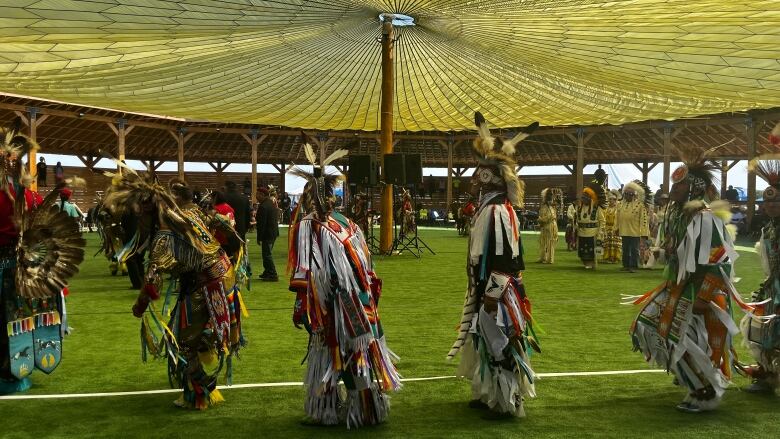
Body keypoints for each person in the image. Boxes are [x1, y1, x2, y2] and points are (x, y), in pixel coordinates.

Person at [106, 174, 243, 410]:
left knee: (182, 344)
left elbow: (152, 280)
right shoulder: (190, 212)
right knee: (190, 329)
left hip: (206, 285)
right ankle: (204, 354)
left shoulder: (164, 236)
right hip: (224, 275)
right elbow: (220, 224)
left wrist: (140, 306)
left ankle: (200, 394)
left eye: (140, 213)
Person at [629, 147, 748, 413]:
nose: (673, 189)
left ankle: (704, 391)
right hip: (680, 286)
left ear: (693, 189)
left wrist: (705, 297)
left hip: (703, 292)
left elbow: (720, 259)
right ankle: (694, 380)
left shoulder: (705, 219)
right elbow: (678, 253)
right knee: (650, 326)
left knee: (684, 339)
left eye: (679, 185)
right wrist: (659, 253)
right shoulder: (678, 216)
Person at [289, 142, 400, 428]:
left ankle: (334, 412)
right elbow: (367, 267)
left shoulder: (310, 225)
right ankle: (365, 408)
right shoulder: (349, 223)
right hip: (361, 301)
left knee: (331, 352)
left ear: (309, 197)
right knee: (354, 353)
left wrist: (302, 308)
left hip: (333, 305)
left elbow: (306, 272)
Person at [448, 112, 540, 418]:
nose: (474, 179)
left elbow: (506, 260)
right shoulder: (490, 208)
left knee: (499, 341)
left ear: (490, 178)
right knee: (483, 339)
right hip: (485, 286)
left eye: (479, 174)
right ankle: (488, 393)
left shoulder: (498, 211)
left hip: (496, 290)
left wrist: (492, 294)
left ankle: (508, 402)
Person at [0, 126, 85, 395]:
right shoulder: (28, 195)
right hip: (26, 271)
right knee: (16, 322)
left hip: (8, 268)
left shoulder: (19, 195)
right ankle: (16, 372)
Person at [740, 159, 780, 393]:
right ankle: (766, 375)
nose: (771, 205)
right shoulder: (770, 228)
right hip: (772, 288)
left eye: (775, 201)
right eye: (768, 201)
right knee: (762, 329)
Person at [616, 181, 649, 272]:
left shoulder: (640, 205)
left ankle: (634, 266)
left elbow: (644, 221)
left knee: (634, 250)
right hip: (624, 231)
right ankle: (625, 265)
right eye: (625, 194)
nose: (627, 196)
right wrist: (616, 228)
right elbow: (617, 217)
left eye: (629, 194)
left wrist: (644, 233)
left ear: (634, 195)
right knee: (625, 249)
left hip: (635, 232)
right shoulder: (620, 204)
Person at [577, 182, 606, 269]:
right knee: (583, 250)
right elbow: (577, 220)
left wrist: (600, 232)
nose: (583, 199)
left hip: (592, 233)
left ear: (590, 198)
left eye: (585, 198)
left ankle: (592, 263)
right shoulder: (579, 207)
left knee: (591, 250)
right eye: (582, 197)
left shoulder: (597, 208)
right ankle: (585, 263)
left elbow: (602, 221)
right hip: (581, 233)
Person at [255, 186, 279, 281]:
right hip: (272, 233)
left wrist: (259, 237)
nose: (256, 196)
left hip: (267, 234)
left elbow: (262, 224)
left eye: (257, 194)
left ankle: (273, 274)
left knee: (267, 254)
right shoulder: (270, 203)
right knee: (266, 254)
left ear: (262, 195)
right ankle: (267, 272)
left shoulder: (264, 206)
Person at [537, 187, 559, 264]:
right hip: (545, 226)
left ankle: (550, 259)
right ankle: (543, 257)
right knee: (543, 242)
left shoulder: (550, 206)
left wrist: (540, 219)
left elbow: (550, 216)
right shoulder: (546, 206)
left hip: (550, 226)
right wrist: (540, 220)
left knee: (550, 242)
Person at [601, 191, 621, 263]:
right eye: (609, 200)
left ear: (615, 200)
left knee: (615, 244)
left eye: (612, 200)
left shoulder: (617, 209)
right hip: (607, 228)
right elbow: (603, 218)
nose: (610, 201)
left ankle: (615, 258)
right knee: (607, 243)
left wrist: (617, 228)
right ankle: (607, 257)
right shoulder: (606, 209)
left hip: (614, 228)